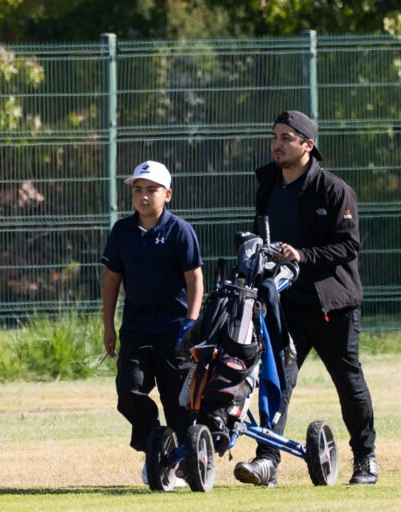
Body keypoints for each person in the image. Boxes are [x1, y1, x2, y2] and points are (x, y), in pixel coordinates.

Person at [233, 110, 378, 486]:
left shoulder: (334, 190)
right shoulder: (268, 186)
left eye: (286, 138)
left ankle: (365, 459)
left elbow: (348, 246)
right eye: (274, 137)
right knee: (275, 380)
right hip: (285, 305)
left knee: (348, 381)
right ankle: (268, 461)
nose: (276, 144)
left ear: (307, 145)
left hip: (333, 306)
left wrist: (302, 255)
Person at [101, 160, 204, 483]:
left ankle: (180, 460)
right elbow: (111, 278)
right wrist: (108, 325)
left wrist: (191, 323)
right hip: (136, 327)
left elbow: (195, 279)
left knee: (178, 402)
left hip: (175, 330)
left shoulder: (180, 231)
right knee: (128, 391)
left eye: (151, 190)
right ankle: (156, 445)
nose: (143, 196)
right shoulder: (122, 231)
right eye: (137, 190)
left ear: (167, 194)